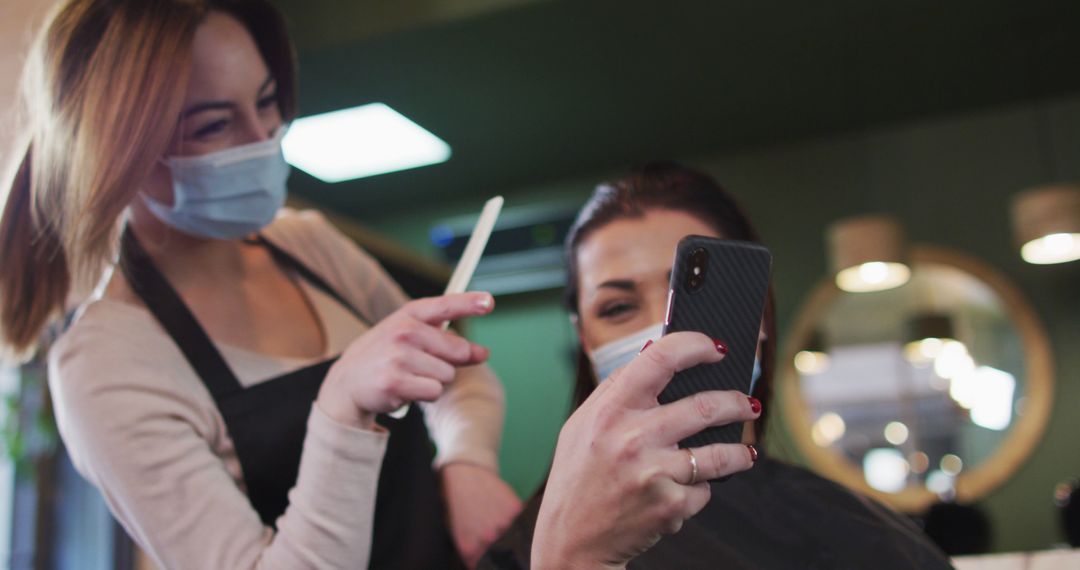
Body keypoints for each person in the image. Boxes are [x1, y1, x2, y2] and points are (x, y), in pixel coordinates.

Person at [0, 1, 521, 568]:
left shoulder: (307, 245)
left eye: (267, 101)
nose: (263, 139)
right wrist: (341, 409)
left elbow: (455, 378)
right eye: (215, 125)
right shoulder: (106, 365)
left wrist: (466, 461)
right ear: (117, 150)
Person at [482, 162, 954, 568]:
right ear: (584, 339)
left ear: (759, 317)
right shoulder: (529, 548)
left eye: (688, 298)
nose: (660, 338)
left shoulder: (869, 535)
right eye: (617, 309)